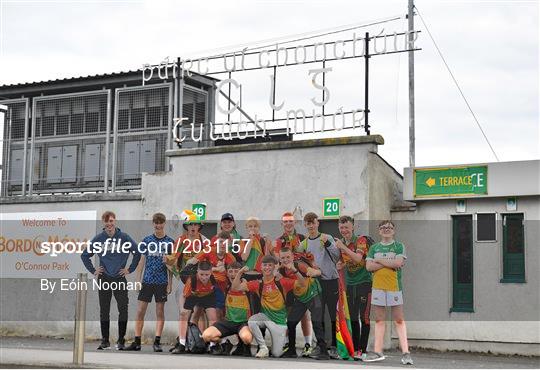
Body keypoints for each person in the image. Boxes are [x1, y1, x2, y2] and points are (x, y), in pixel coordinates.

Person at [81, 211, 141, 350]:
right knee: (104, 310)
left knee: (123, 309)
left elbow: (137, 252)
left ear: (115, 221)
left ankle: (121, 340)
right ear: (103, 223)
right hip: (104, 278)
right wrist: (94, 270)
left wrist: (129, 269)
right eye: (106, 222)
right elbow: (85, 255)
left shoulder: (124, 237)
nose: (109, 224)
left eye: (111, 221)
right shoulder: (98, 239)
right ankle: (105, 340)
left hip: (120, 278)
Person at [233, 255, 306, 358]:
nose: (267, 267)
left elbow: (303, 284)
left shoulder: (282, 282)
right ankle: (263, 347)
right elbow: (236, 288)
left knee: (276, 354)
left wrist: (294, 270)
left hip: (279, 324)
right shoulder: (258, 284)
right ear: (261, 267)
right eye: (265, 265)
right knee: (252, 321)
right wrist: (239, 273)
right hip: (266, 318)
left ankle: (274, 347)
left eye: (270, 265)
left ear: (274, 267)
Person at [363, 220, 413, 365]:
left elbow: (397, 263)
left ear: (394, 230)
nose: (386, 229)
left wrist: (379, 260)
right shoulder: (374, 247)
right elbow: (368, 267)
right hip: (378, 287)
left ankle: (406, 353)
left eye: (389, 227)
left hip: (394, 287)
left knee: (398, 319)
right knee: (379, 319)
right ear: (379, 231)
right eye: (383, 227)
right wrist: (387, 262)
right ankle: (378, 351)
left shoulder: (399, 246)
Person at [125, 213, 174, 352]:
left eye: (161, 223)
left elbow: (171, 264)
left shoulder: (170, 242)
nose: (158, 226)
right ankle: (137, 341)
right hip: (147, 281)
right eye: (156, 223)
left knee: (160, 311)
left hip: (161, 281)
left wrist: (170, 283)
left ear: (164, 223)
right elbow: (141, 261)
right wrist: (137, 279)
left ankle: (157, 341)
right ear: (153, 224)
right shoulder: (146, 240)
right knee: (140, 311)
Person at [300, 212, 340, 359]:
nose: (311, 226)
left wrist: (328, 244)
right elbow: (298, 261)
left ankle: (335, 346)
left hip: (331, 280)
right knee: (318, 315)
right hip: (316, 284)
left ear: (318, 223)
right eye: (308, 223)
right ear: (305, 225)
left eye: (313, 223)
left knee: (332, 314)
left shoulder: (327, 237)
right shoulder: (304, 244)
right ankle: (320, 345)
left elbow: (337, 257)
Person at [166, 209, 209, 345]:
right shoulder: (181, 240)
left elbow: (210, 260)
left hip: (201, 281)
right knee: (184, 312)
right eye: (190, 225)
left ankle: (201, 341)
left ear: (199, 226)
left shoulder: (204, 241)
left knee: (199, 312)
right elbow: (172, 260)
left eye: (195, 224)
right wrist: (176, 273)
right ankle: (183, 341)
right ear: (186, 226)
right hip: (184, 281)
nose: (193, 227)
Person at [273, 212, 313, 357]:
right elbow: (278, 259)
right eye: (285, 222)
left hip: (301, 278)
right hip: (286, 281)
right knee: (289, 313)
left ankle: (308, 344)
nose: (288, 224)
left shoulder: (302, 238)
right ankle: (288, 344)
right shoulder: (278, 241)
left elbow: (308, 257)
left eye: (291, 221)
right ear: (282, 224)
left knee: (305, 315)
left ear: (295, 222)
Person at [277, 247, 327, 359]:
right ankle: (291, 350)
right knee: (290, 323)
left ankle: (323, 351)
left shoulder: (299, 265)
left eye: (288, 257)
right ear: (280, 259)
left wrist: (315, 271)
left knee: (316, 323)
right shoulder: (281, 270)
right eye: (283, 258)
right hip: (301, 297)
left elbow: (309, 278)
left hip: (314, 295)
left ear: (292, 257)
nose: (286, 260)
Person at [335, 215, 372, 360]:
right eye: (342, 228)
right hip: (350, 285)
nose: (344, 230)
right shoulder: (341, 243)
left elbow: (358, 258)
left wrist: (343, 247)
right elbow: (343, 261)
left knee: (364, 318)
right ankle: (355, 349)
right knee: (353, 318)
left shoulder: (360, 240)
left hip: (364, 283)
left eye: (347, 227)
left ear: (353, 227)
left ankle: (363, 351)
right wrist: (340, 264)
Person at [202, 261, 253, 357]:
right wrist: (217, 268)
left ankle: (245, 345)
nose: (233, 274)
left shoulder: (246, 284)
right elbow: (207, 273)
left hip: (243, 322)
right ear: (227, 273)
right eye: (230, 271)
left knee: (246, 338)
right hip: (228, 322)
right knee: (206, 336)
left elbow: (236, 287)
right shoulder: (224, 284)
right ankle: (225, 343)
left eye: (236, 271)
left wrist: (241, 272)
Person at [186, 231, 237, 321]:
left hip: (220, 288)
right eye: (221, 242)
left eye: (225, 243)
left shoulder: (231, 258)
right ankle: (193, 334)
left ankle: (214, 334)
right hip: (204, 285)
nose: (222, 245)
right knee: (197, 312)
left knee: (218, 314)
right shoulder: (209, 250)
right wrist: (214, 269)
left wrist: (225, 270)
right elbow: (191, 262)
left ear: (229, 244)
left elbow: (234, 276)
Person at [171, 260, 218, 354]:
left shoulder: (215, 278)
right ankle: (182, 344)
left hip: (208, 295)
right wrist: (182, 309)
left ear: (211, 273)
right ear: (197, 272)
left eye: (207, 275)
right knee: (183, 315)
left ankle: (213, 345)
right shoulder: (191, 280)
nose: (204, 277)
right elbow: (183, 296)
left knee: (213, 317)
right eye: (201, 274)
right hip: (193, 295)